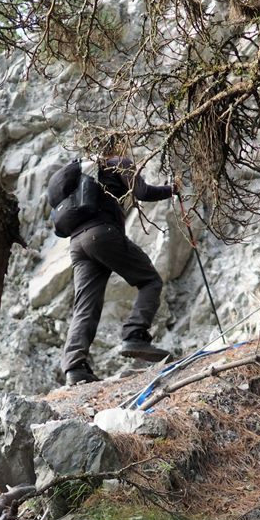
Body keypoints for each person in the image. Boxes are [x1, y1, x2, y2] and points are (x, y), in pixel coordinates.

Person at [60, 144, 176, 386]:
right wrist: (172, 189)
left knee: (85, 305)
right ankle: (135, 334)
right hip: (102, 234)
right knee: (150, 280)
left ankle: (74, 367)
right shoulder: (118, 163)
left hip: (77, 244)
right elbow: (142, 192)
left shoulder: (81, 175)